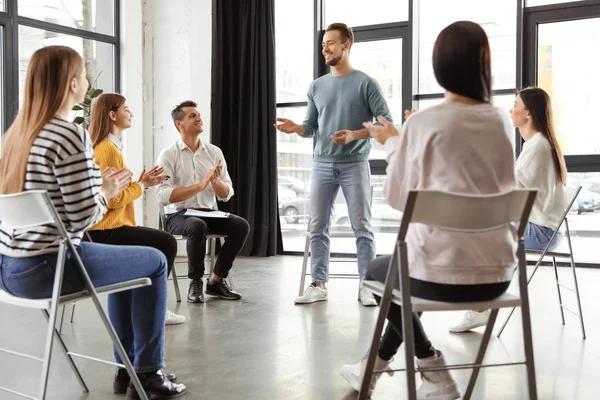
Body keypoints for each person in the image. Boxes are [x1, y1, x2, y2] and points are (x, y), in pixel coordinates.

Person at [340, 21, 518, 399]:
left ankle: (436, 372)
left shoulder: (424, 122)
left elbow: (397, 198)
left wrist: (393, 143)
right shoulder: (502, 120)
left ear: (440, 65)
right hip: (498, 275)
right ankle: (370, 370)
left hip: (439, 275)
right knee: (408, 271)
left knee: (379, 272)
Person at [0, 46, 186, 399]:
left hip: (10, 272)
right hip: (51, 268)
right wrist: (104, 193)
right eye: (85, 75)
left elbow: (48, 205)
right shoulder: (70, 135)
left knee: (129, 269)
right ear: (73, 83)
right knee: (156, 260)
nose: (87, 82)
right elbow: (85, 216)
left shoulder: (15, 136)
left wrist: (100, 187)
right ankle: (147, 372)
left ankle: (126, 370)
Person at [274, 22, 393, 306]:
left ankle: (368, 285)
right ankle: (318, 284)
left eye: (330, 43)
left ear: (346, 45)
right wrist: (296, 128)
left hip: (355, 164)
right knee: (317, 227)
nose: (325, 48)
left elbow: (385, 122)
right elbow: (311, 126)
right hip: (322, 165)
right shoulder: (316, 86)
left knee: (362, 227)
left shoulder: (366, 82)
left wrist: (355, 134)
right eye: (323, 44)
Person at [450, 86, 567, 334]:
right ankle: (480, 301)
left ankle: (479, 305)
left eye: (516, 104)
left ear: (529, 114)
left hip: (540, 232)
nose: (511, 109)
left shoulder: (537, 147)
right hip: (544, 228)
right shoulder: (538, 144)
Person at [87, 93, 186, 326]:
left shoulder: (108, 146)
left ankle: (145, 306)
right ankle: (154, 309)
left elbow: (115, 191)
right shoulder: (109, 149)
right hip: (106, 230)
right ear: (112, 115)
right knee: (167, 243)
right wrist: (141, 185)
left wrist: (142, 183)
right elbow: (112, 200)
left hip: (106, 228)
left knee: (159, 243)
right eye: (126, 108)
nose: (131, 113)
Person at [156, 101, 250, 303]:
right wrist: (199, 186)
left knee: (241, 225)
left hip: (209, 212)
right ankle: (195, 281)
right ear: (179, 124)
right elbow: (163, 195)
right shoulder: (169, 154)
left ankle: (215, 281)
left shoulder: (214, 152)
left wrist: (214, 180)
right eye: (192, 116)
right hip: (178, 215)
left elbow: (226, 194)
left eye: (198, 114)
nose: (199, 118)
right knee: (196, 225)